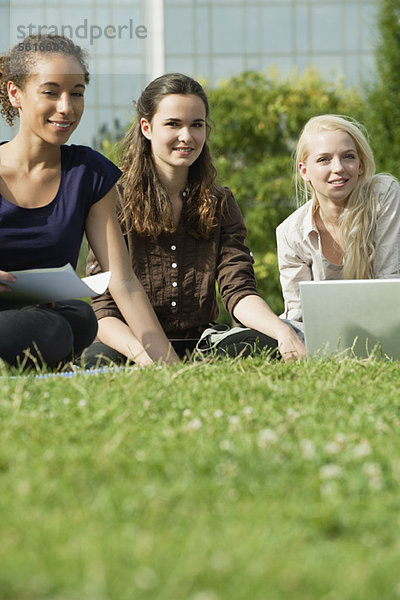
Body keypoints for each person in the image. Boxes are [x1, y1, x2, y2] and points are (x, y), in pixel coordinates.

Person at [84, 73, 306, 367]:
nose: (187, 136)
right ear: (147, 127)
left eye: (196, 125)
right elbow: (103, 311)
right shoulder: (113, 201)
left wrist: (282, 330)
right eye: (173, 124)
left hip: (203, 344)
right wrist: (152, 360)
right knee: (100, 361)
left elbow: (238, 290)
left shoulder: (220, 203)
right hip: (131, 345)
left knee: (265, 344)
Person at [0, 34, 178, 368]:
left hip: (42, 316)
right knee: (55, 332)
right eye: (51, 92)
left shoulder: (89, 173)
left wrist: (167, 364)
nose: (66, 107)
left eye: (77, 94)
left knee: (80, 318)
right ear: (15, 94)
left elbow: (122, 280)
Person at [276, 114, 400, 331]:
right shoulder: (290, 233)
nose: (338, 168)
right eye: (324, 159)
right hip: (326, 335)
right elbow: (297, 314)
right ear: (304, 171)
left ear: (361, 165)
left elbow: (390, 285)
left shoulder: (383, 195)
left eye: (348, 157)